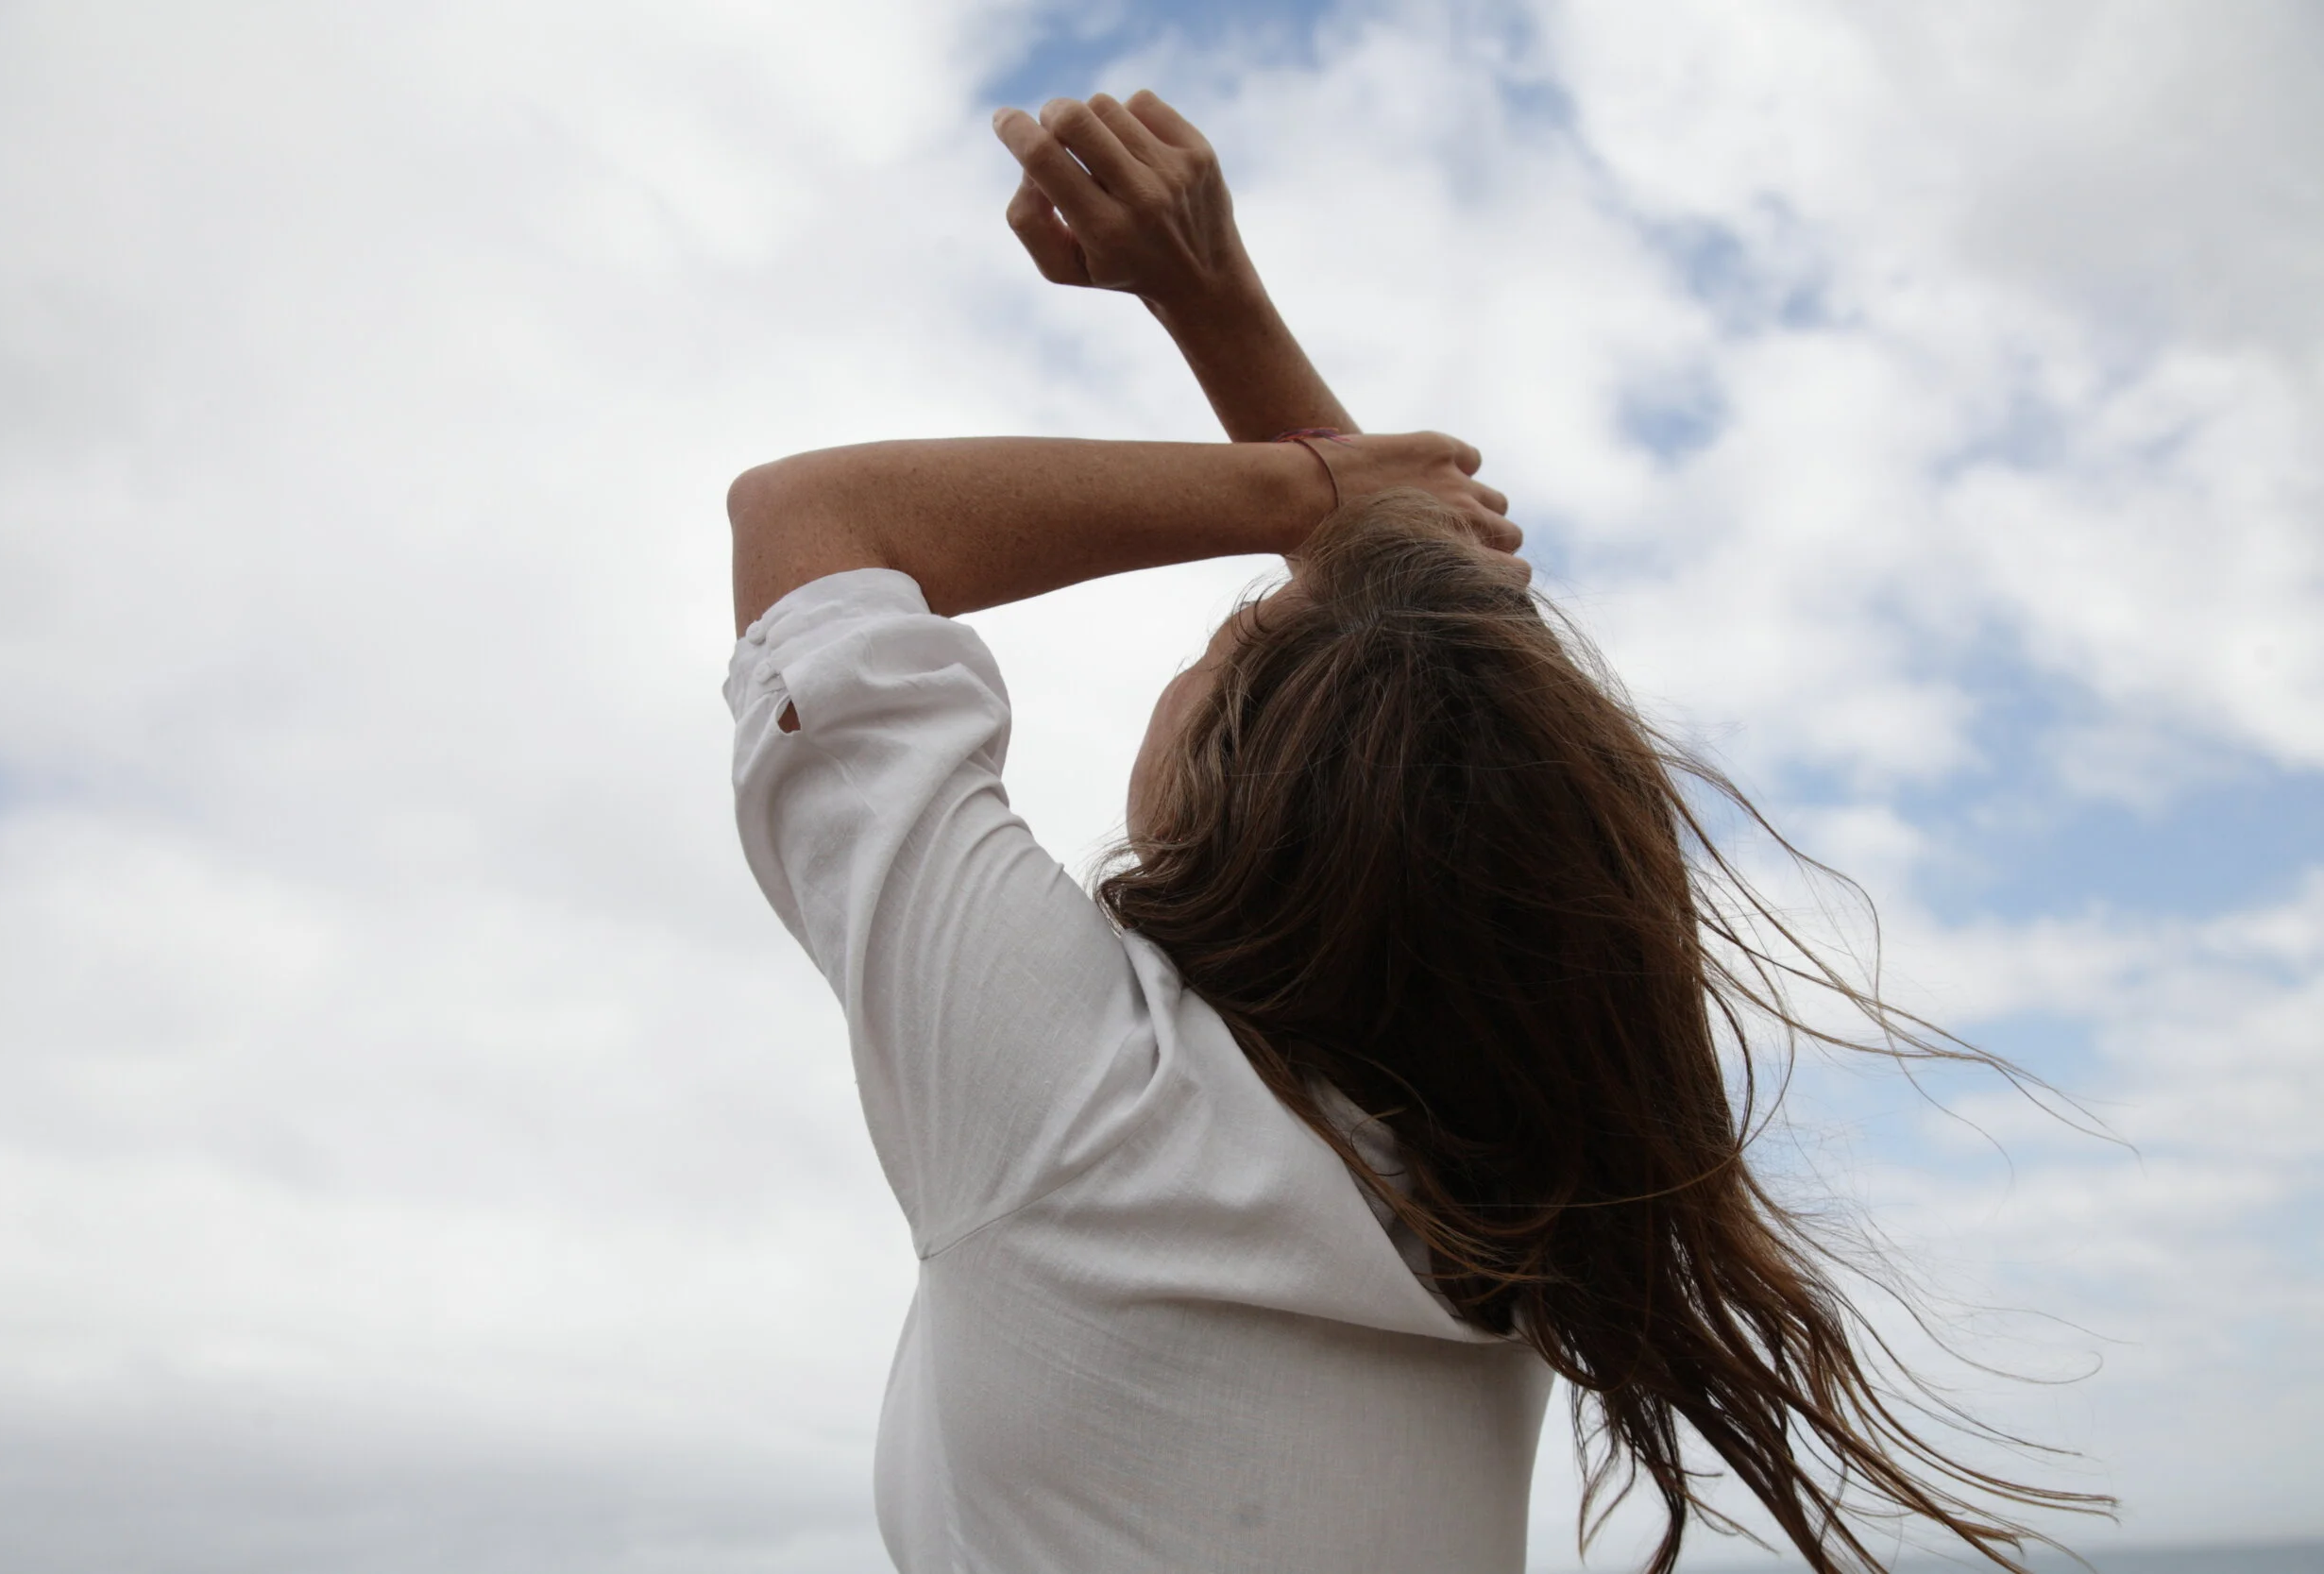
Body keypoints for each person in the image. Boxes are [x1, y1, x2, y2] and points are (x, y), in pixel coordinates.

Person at [725, 90, 2104, 1574]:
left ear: (1233, 802)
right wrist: (1216, 308)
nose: (1218, 627)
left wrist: (1295, 479)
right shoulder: (1510, 1189)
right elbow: (1465, 703)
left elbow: (809, 523)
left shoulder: (1079, 1105)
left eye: (1235, 631)